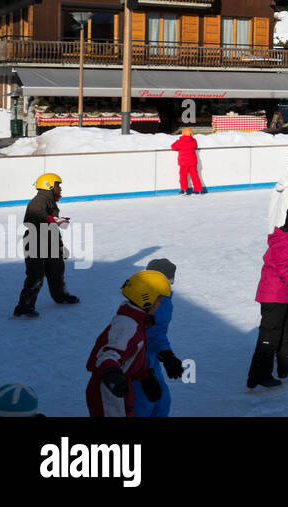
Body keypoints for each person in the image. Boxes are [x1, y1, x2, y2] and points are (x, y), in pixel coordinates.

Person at [85, 270, 172, 417]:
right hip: (108, 390)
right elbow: (108, 354)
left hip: (121, 388)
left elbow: (133, 355)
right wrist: (112, 374)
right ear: (146, 298)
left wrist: (145, 377)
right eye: (158, 300)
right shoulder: (127, 325)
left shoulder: (139, 321)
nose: (159, 305)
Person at [247, 205, 288, 389]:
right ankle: (258, 376)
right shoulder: (287, 243)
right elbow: (284, 270)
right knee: (269, 337)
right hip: (273, 297)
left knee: (287, 331)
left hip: (283, 296)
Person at [14, 173, 80, 318]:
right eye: (58, 185)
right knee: (36, 274)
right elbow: (33, 217)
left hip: (49, 241)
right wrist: (55, 219)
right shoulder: (38, 201)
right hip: (34, 241)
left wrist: (60, 246)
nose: (60, 189)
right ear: (49, 186)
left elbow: (52, 228)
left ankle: (60, 296)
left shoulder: (50, 202)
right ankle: (24, 306)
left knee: (57, 270)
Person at [132, 258, 184, 417]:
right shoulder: (158, 302)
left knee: (161, 399)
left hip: (149, 358)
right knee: (146, 401)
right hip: (139, 360)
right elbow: (153, 334)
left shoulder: (150, 297)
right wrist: (167, 354)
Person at [171, 128, 206, 195]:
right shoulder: (193, 141)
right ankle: (198, 190)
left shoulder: (180, 142)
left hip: (183, 163)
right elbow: (195, 146)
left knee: (183, 176)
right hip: (192, 162)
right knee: (194, 175)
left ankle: (184, 189)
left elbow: (173, 146)